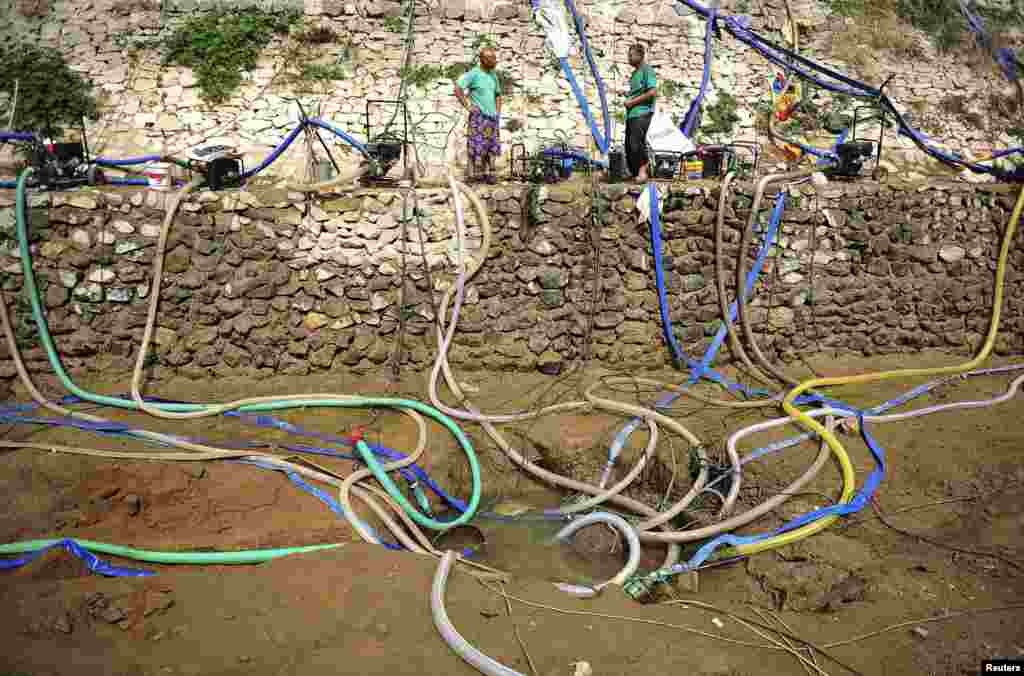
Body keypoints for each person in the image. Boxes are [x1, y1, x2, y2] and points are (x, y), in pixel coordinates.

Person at [454, 47, 503, 184]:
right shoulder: (473, 74)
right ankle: (471, 175)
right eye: (491, 58)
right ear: (482, 59)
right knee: (474, 146)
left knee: (490, 147)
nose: (494, 61)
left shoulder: (493, 75)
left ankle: (489, 174)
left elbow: (498, 95)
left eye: (494, 57)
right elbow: (457, 89)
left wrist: (498, 112)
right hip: (478, 117)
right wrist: (468, 106)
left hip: (492, 118)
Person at [623, 43, 657, 183]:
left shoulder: (646, 70)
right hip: (632, 114)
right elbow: (638, 92)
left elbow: (652, 92)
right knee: (628, 145)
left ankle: (643, 171)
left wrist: (632, 102)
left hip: (642, 112)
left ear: (640, 55)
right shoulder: (634, 74)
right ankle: (634, 172)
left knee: (636, 143)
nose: (628, 58)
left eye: (631, 55)